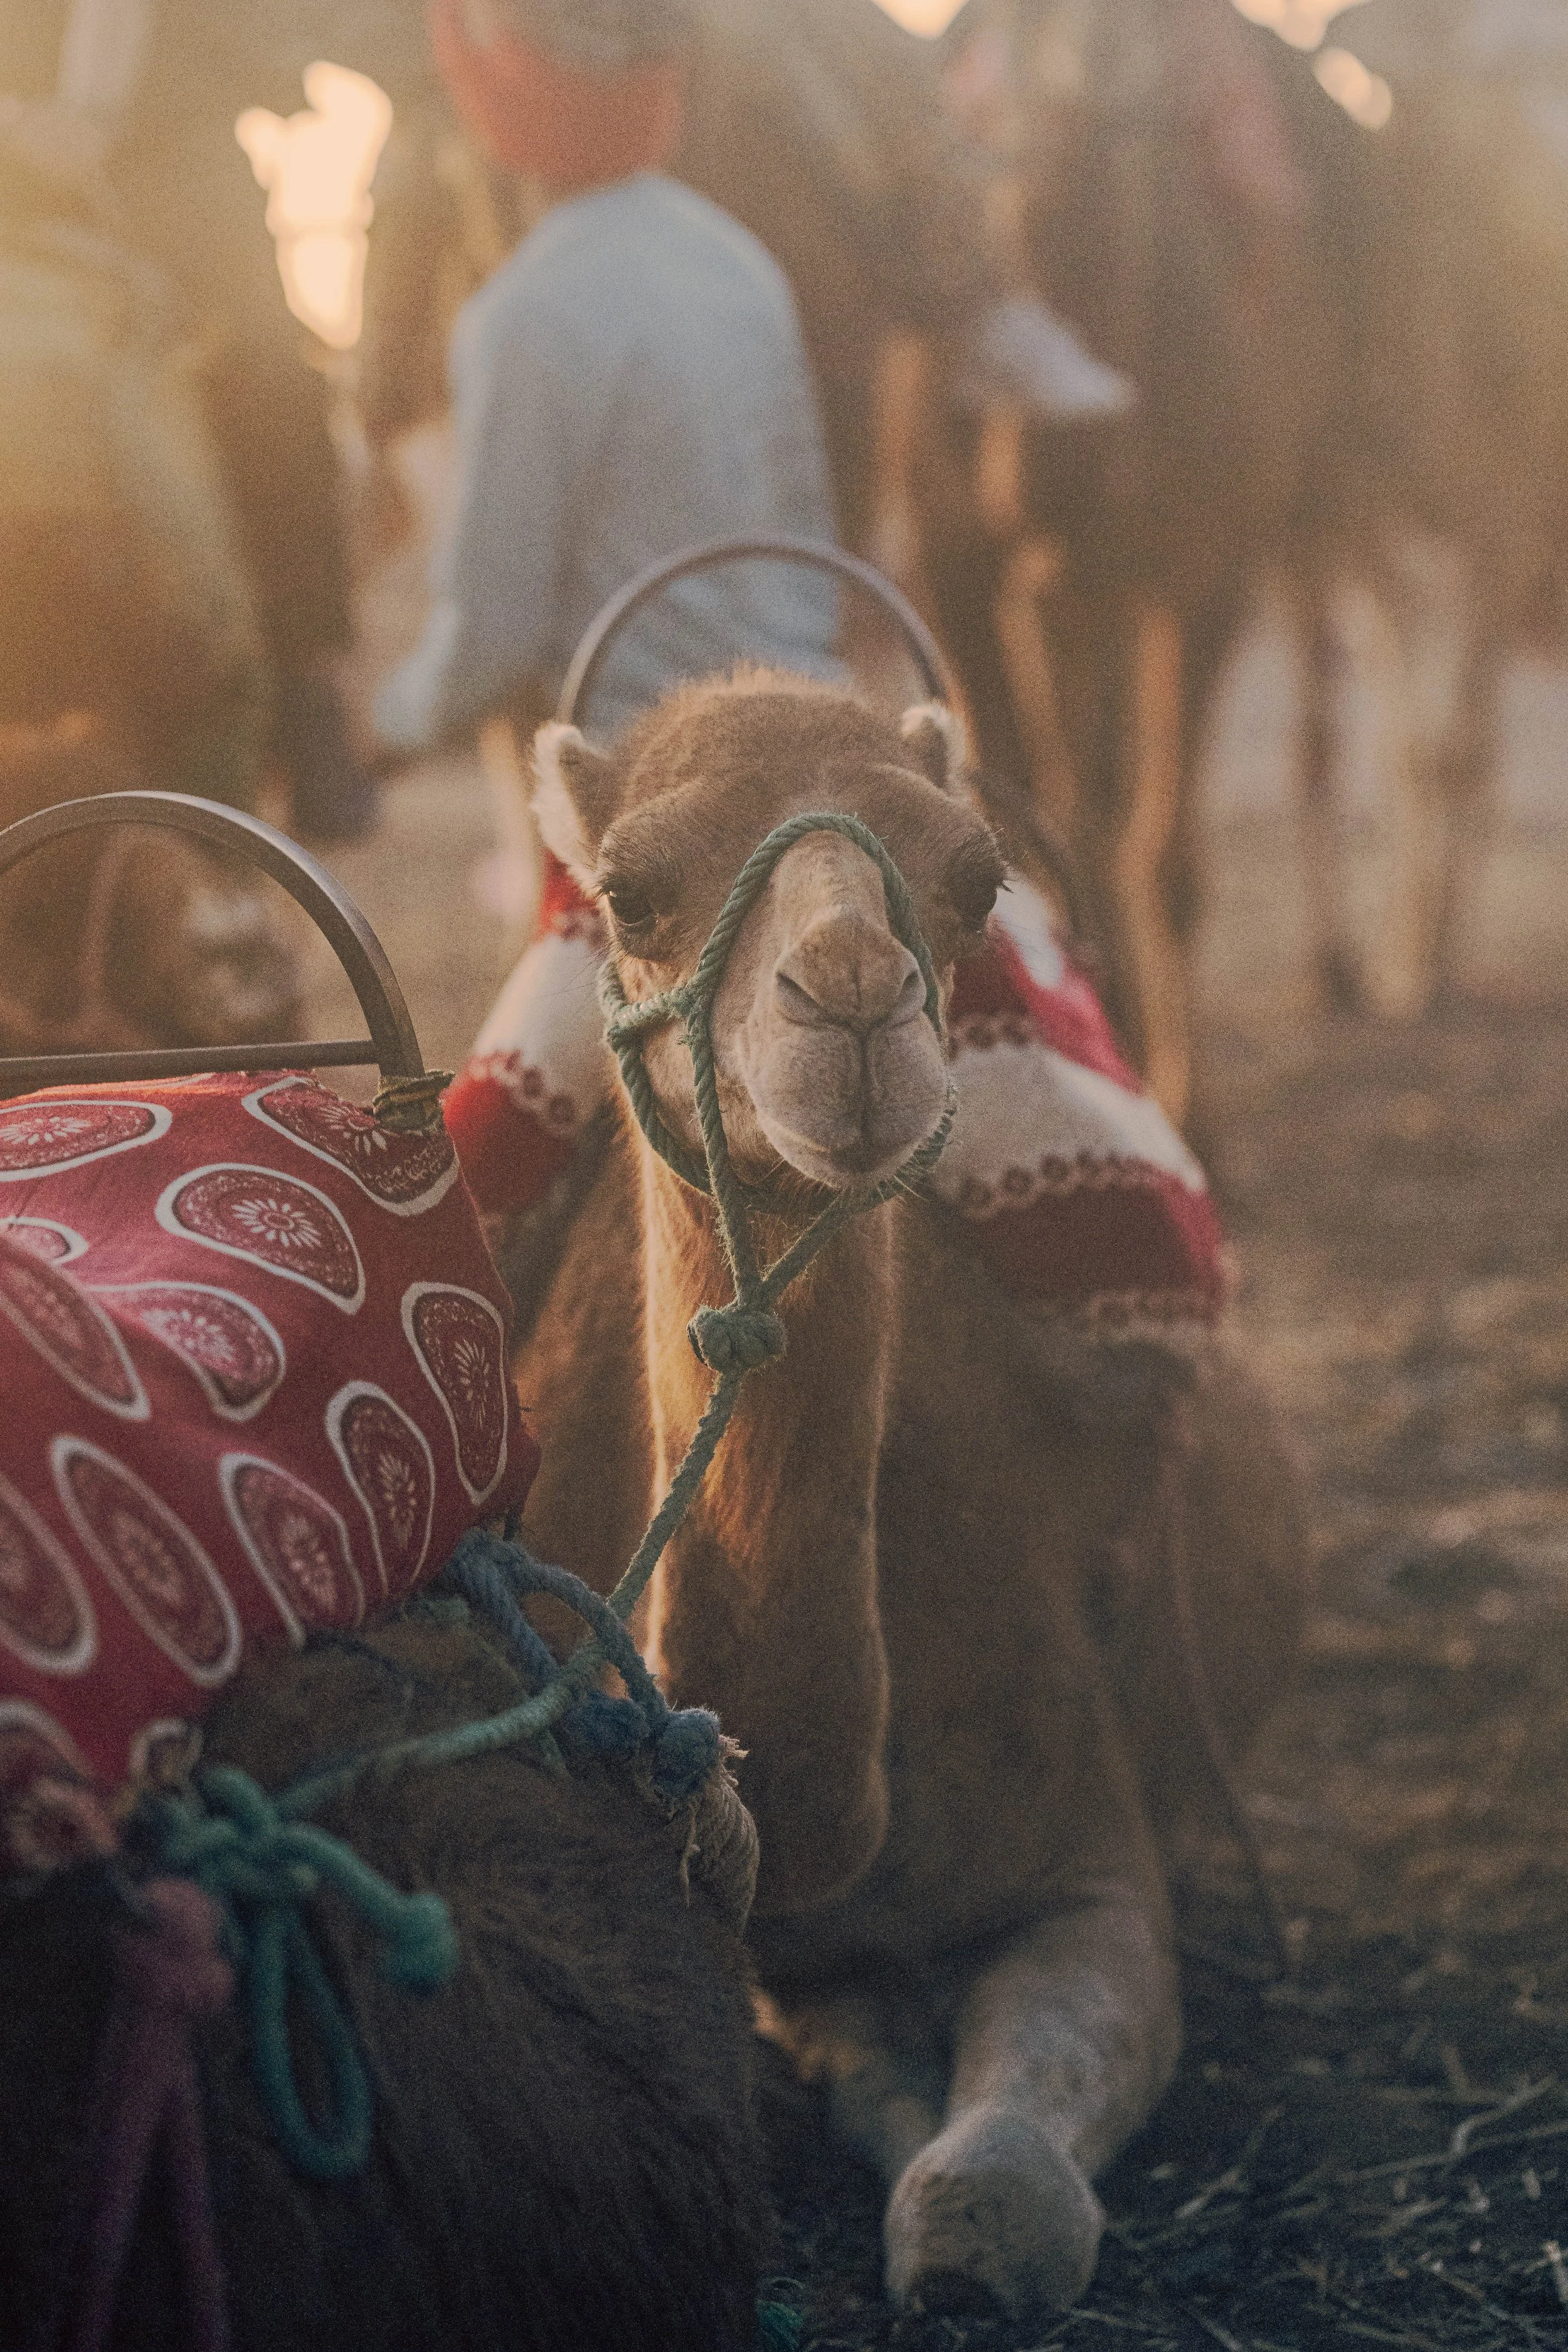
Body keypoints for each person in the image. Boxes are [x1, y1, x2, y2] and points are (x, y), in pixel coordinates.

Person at [373, 0, 842, 753]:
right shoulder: (737, 262)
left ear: (491, 130)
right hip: (807, 720)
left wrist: (390, 720)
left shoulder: (524, 314)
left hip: (650, 767)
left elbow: (495, 633)